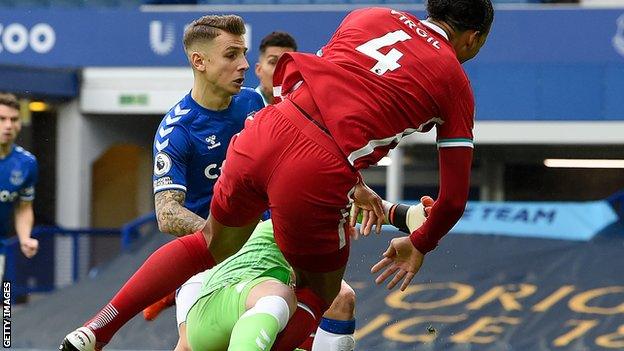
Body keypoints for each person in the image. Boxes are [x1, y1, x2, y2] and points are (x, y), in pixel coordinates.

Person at [62, 1, 494, 348]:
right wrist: (420, 243)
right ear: (474, 38)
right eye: (233, 55)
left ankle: (97, 330)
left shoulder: (370, 15)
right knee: (326, 293)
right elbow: (453, 200)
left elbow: (313, 88)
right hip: (317, 170)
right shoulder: (454, 81)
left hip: (266, 133)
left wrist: (376, 200)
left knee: (210, 242)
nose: (245, 65)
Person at [0, 92, 39, 280]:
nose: (8, 125)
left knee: (4, 308)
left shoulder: (27, 163)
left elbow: (24, 207)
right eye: (1, 119)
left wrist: (25, 238)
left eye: (14, 119)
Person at [254, 32, 297, 105]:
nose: (280, 70)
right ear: (258, 69)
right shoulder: (244, 108)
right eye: (273, 62)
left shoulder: (305, 110)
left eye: (287, 64)